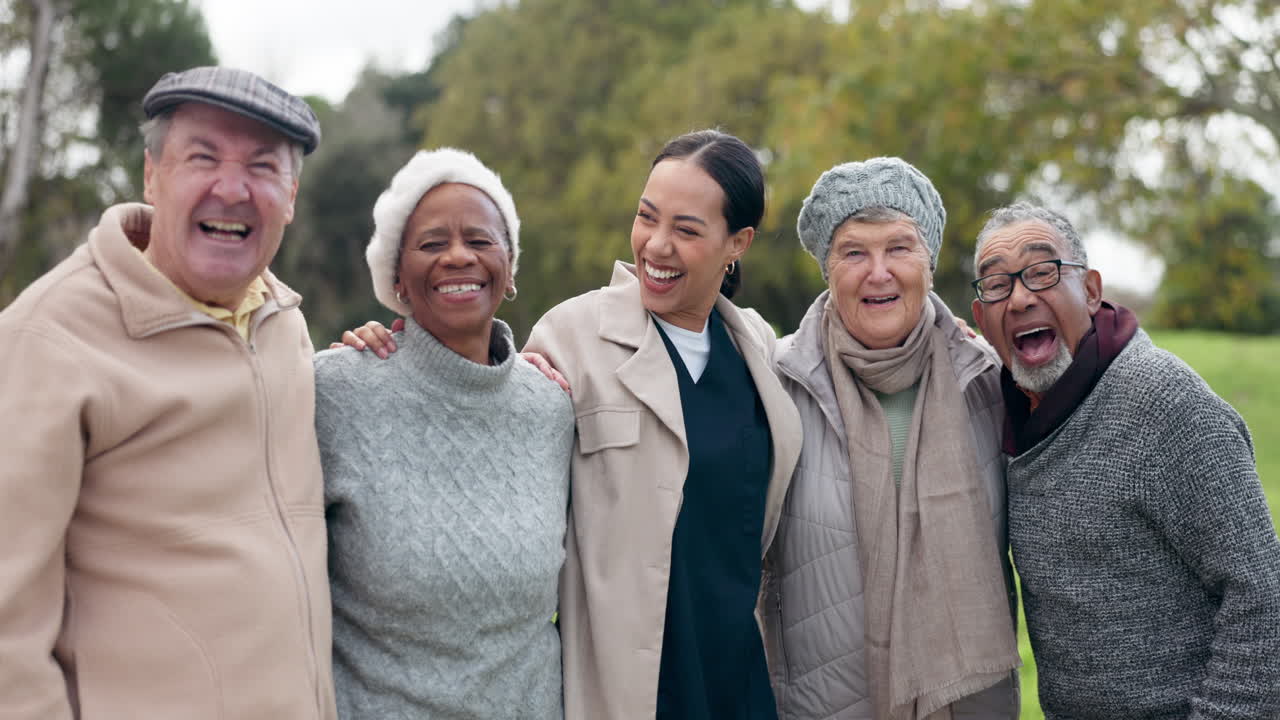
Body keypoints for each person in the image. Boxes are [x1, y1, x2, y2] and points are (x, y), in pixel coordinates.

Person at [342, 129, 803, 719]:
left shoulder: (758, 349)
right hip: (627, 690)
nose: (656, 246)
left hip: (738, 684)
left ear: (736, 242)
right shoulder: (569, 337)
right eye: (646, 218)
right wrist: (389, 352)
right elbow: (472, 414)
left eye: (686, 230)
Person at [0, 67, 336, 719]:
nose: (232, 188)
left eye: (263, 167)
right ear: (152, 175)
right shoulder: (45, 338)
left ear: (290, 196)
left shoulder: (285, 326)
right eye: (202, 157)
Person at [969, 202, 1280, 719]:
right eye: (997, 284)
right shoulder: (1006, 412)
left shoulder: (1166, 404)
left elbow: (1265, 599)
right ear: (982, 320)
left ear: (1091, 291)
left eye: (1042, 272)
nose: (1020, 297)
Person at [314, 148, 574, 718]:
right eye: (432, 243)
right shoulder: (333, 392)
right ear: (397, 278)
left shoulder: (553, 408)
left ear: (508, 268)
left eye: (480, 241)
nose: (459, 257)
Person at [762, 158, 1020, 720]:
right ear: (826, 268)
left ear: (929, 262)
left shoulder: (991, 383)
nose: (878, 272)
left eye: (899, 248)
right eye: (854, 252)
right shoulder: (771, 382)